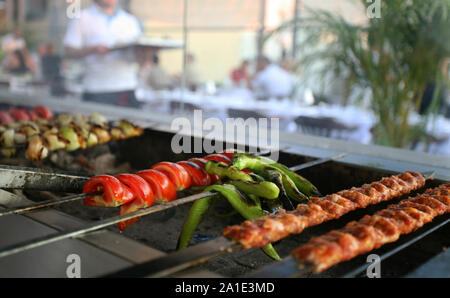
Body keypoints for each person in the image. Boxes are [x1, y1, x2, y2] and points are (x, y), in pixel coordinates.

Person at [64, 0, 142, 108]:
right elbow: (69, 52)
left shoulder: (130, 21)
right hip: (97, 89)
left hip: (127, 87)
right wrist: (93, 49)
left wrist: (146, 54)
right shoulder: (81, 18)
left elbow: (139, 56)